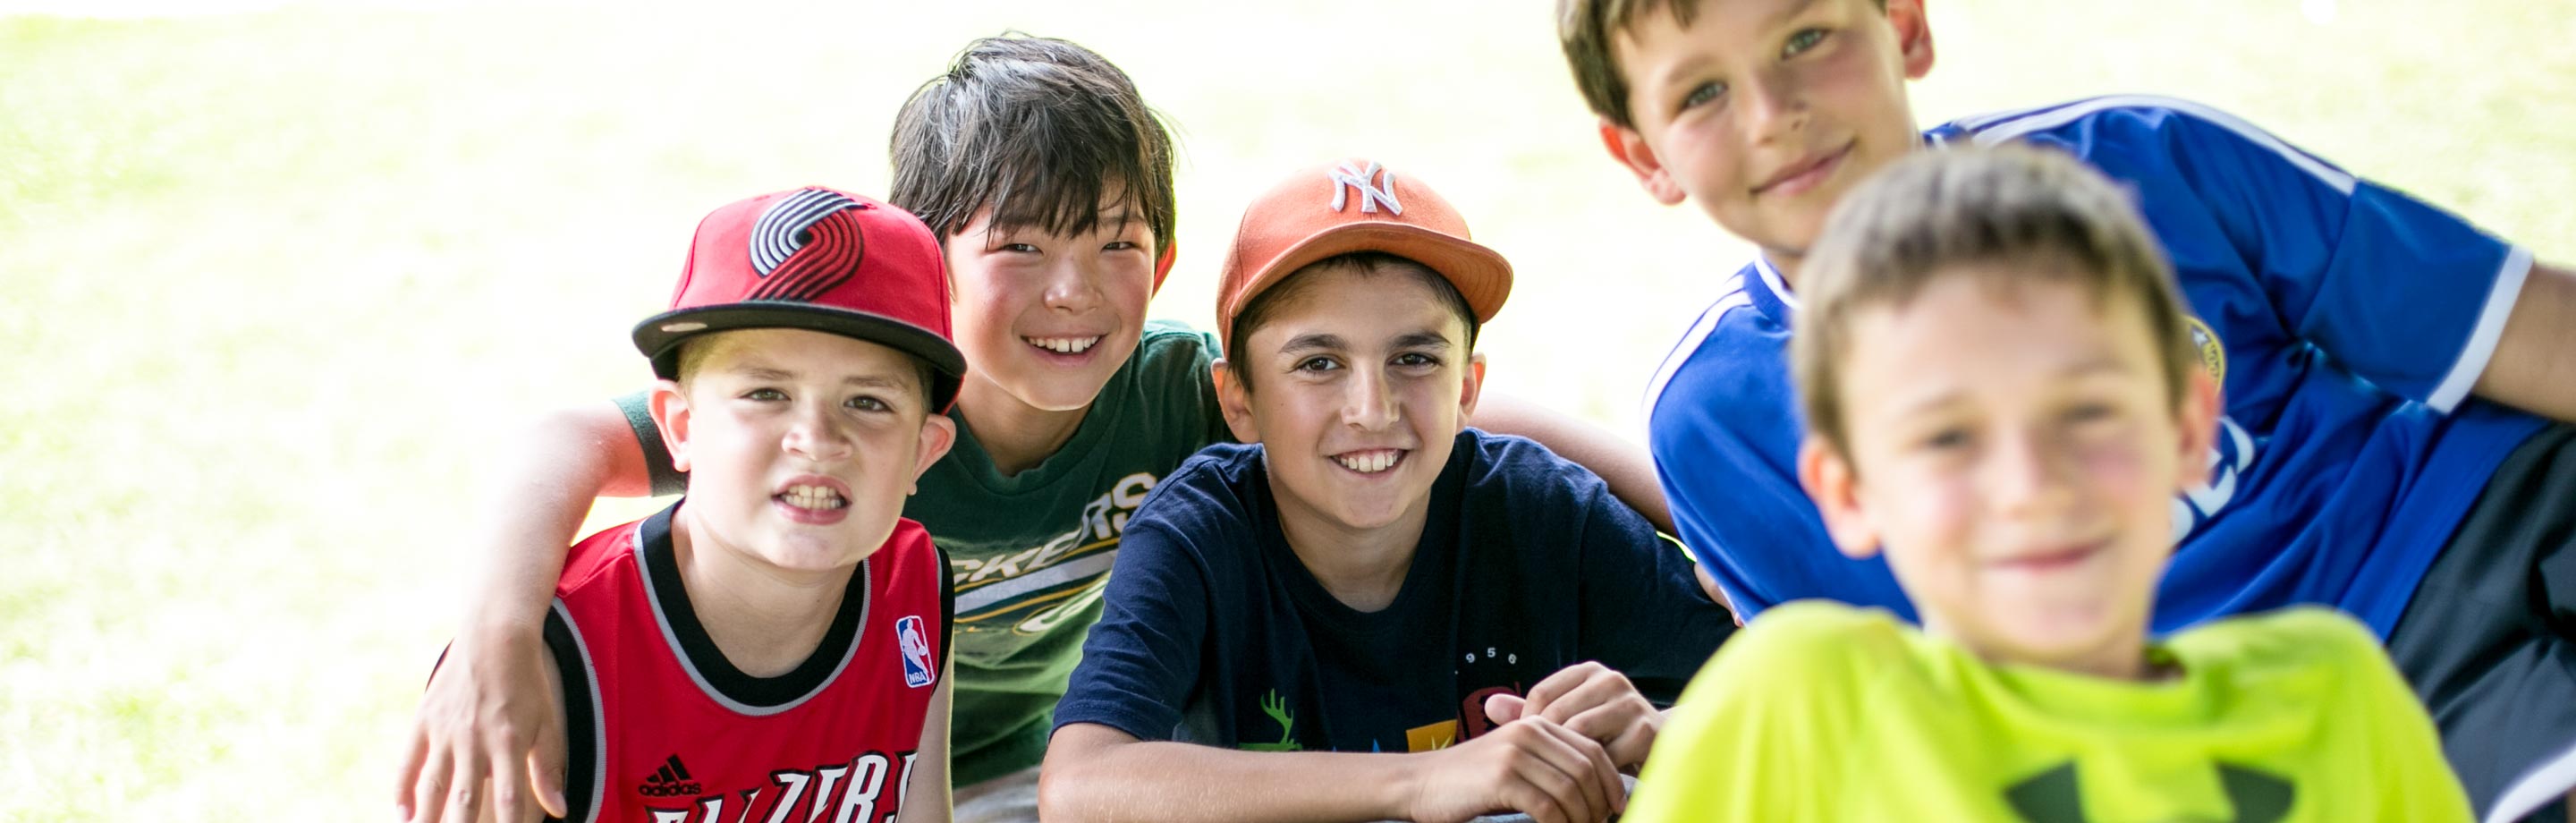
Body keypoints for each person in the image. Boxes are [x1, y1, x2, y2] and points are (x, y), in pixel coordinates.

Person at [399, 34, 1678, 823]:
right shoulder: (860, 413)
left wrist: (1697, 511)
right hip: (859, 773)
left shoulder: (1177, 386)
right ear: (923, 257)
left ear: (1163, 259)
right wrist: (498, 638)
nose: (1074, 294)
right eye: (1018, 248)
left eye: (1117, 245)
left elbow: (1432, 406)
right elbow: (568, 436)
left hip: (1054, 770)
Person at [1554, 0, 2576, 816]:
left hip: (2497, 502)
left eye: (1808, 35)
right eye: (1702, 92)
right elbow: (1891, 720)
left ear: (1903, 22)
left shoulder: (2143, 156)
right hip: (2300, 717)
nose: (1774, 112)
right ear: (1642, 152)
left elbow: (2523, 328)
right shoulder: (1714, 424)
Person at [1628, 145, 2470, 822]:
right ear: (1851, 494)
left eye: (2087, 414)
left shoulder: (2333, 693)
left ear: (2186, 433)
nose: (2031, 485)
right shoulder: (1804, 700)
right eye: (1949, 436)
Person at [1039, 159, 1734, 823]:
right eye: (1318, 363)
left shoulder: (1540, 511)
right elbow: (1079, 787)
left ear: (1466, 388)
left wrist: (1659, 732)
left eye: (1414, 358)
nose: (1372, 409)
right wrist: (1424, 782)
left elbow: (1801, 689)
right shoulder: (1198, 536)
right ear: (1239, 400)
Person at [403, 186, 963, 823]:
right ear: (678, 425)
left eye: (868, 402)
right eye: (765, 392)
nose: (816, 440)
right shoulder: (549, 663)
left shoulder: (913, 586)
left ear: (924, 450)